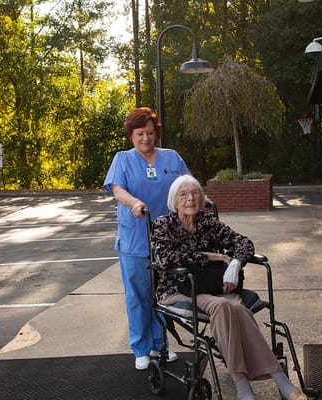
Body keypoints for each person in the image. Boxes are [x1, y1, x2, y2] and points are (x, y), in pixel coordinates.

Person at [151, 175, 308, 400]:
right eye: (183, 194)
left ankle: (261, 383)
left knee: (234, 308)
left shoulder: (208, 222)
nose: (190, 198)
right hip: (178, 289)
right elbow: (166, 258)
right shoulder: (163, 224)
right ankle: (260, 382)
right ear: (173, 201)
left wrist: (235, 262)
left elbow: (244, 242)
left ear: (202, 198)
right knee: (225, 306)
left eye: (195, 193)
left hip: (213, 287)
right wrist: (210, 256)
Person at [103, 107, 191, 370]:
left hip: (168, 240)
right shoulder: (122, 159)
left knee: (163, 294)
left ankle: (160, 344)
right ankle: (141, 348)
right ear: (131, 135)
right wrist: (134, 203)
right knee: (138, 295)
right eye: (140, 133)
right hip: (136, 238)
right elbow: (117, 189)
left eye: (150, 133)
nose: (146, 138)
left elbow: (188, 186)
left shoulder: (171, 157)